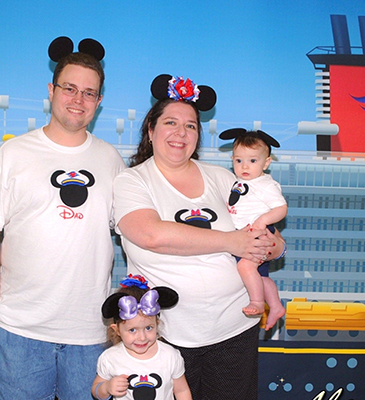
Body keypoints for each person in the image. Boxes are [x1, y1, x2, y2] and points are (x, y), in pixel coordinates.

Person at [113, 74, 286, 400]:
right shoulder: (131, 182)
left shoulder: (223, 178)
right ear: (150, 131)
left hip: (235, 329)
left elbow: (271, 239)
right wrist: (231, 241)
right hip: (167, 337)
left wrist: (272, 245)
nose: (181, 133)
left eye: (191, 126)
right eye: (171, 123)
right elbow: (151, 234)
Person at [0, 37, 126, 400]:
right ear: (51, 90)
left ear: (99, 102)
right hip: (18, 333)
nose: (78, 99)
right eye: (70, 88)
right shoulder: (13, 154)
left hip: (90, 335)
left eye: (90, 93)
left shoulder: (112, 161)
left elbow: (135, 236)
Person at [220, 128, 288, 331]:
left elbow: (281, 208)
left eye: (252, 161)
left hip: (256, 234)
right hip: (245, 235)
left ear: (266, 163)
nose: (244, 166)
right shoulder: (237, 182)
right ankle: (275, 305)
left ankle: (258, 303)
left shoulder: (266, 184)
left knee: (245, 267)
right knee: (262, 277)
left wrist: (263, 221)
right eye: (238, 161)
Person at [92, 274, 192, 400]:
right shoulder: (110, 358)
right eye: (132, 330)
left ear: (157, 324)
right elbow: (96, 390)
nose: (142, 337)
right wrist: (106, 388)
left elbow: (182, 391)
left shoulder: (170, 356)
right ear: (116, 330)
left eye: (148, 328)